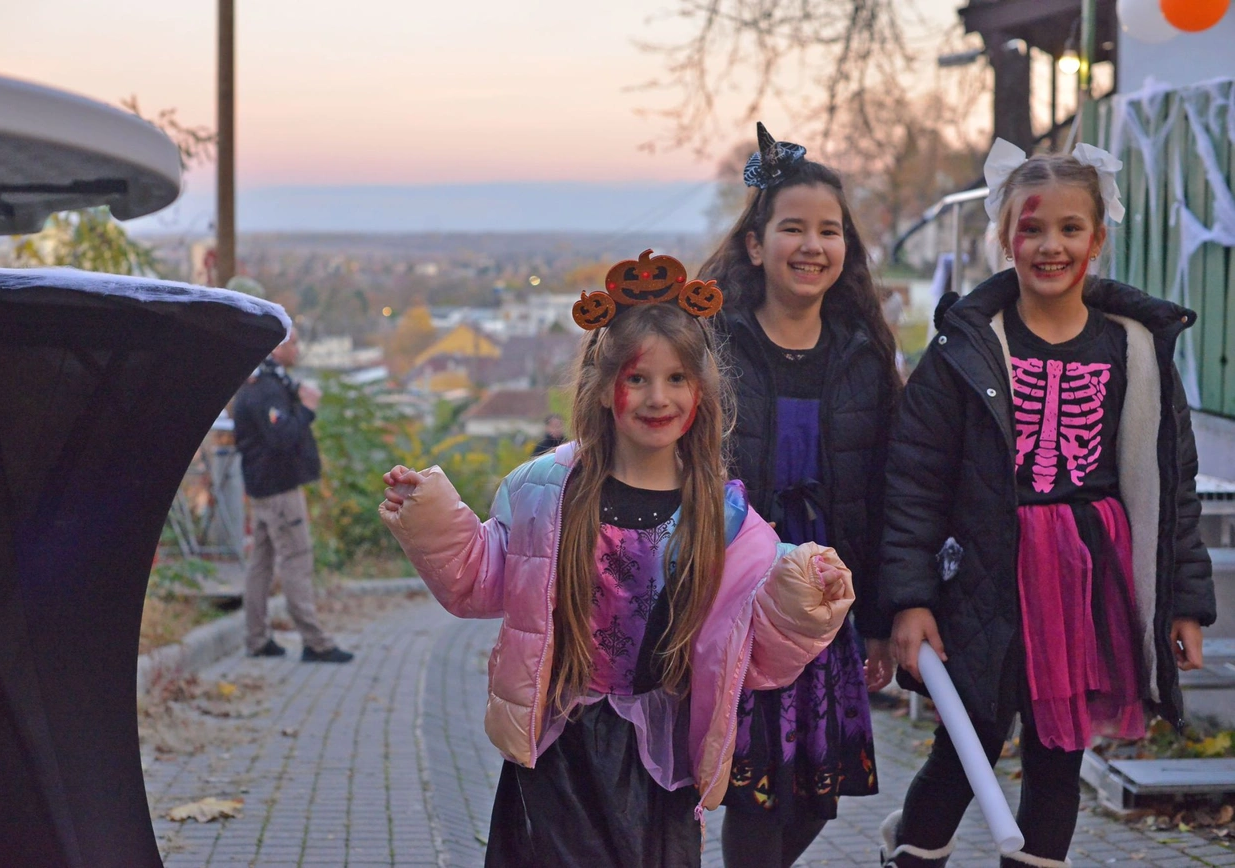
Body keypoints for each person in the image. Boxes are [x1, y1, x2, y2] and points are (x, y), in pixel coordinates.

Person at [379, 268, 856, 868]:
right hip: (557, 751)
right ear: (605, 389)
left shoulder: (727, 521)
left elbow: (754, 651)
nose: (659, 397)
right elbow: (480, 577)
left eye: (677, 378)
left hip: (658, 762)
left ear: (701, 391)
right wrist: (430, 517)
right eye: (638, 378)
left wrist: (806, 599)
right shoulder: (547, 492)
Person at [878, 139, 1215, 868]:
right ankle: (909, 853)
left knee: (1058, 755)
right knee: (969, 744)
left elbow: (1172, 483)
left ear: (1097, 238)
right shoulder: (964, 351)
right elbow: (914, 484)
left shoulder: (1135, 349)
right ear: (1005, 237)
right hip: (988, 579)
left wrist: (1183, 600)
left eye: (1070, 228)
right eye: (1031, 229)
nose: (1050, 245)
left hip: (1089, 579)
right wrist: (909, 599)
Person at [699, 122, 899, 868]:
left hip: (826, 607)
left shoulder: (864, 356)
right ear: (757, 244)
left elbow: (886, 497)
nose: (812, 244)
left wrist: (879, 616)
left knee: (816, 790)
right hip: (736, 600)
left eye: (830, 230)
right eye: (793, 228)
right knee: (754, 785)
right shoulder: (710, 344)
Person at [234, 330, 353, 663]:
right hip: (279, 489)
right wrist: (308, 408)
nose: (298, 348)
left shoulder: (265, 381)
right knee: (296, 558)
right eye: (293, 342)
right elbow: (281, 437)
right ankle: (316, 642)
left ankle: (257, 639)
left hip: (264, 488)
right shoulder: (267, 388)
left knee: (262, 562)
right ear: (275, 345)